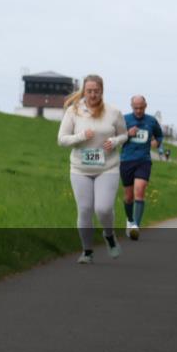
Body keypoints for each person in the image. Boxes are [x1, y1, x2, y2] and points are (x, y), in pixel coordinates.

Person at [58, 74, 128, 264]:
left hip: (108, 167)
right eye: (89, 91)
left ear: (102, 91)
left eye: (96, 91)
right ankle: (87, 251)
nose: (93, 94)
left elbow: (124, 135)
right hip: (80, 169)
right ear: (84, 91)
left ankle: (109, 235)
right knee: (85, 209)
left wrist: (114, 141)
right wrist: (80, 136)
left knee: (103, 209)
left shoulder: (113, 112)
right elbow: (62, 139)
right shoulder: (74, 112)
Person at [119, 95, 164, 240]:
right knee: (128, 197)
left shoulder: (151, 121)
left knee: (140, 190)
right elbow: (116, 138)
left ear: (145, 106)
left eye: (141, 107)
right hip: (126, 161)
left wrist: (157, 143)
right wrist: (127, 134)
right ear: (131, 106)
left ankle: (135, 227)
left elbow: (159, 135)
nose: (138, 110)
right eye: (135, 108)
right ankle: (130, 220)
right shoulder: (124, 119)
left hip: (143, 161)